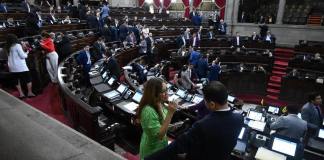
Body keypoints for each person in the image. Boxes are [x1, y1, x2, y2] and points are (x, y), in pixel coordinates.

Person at [145, 81, 244, 160]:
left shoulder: (203, 125)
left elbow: (178, 146)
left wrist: (150, 158)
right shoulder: (239, 118)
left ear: (212, 104)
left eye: (205, 100)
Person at [136, 77, 178, 160]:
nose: (167, 93)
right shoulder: (148, 111)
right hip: (151, 150)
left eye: (167, 89)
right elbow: (159, 135)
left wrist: (170, 127)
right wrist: (170, 113)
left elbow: (162, 124)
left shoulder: (160, 103)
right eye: (163, 91)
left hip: (161, 146)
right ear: (154, 93)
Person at [6, 34, 36, 98]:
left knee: (17, 81)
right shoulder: (17, 45)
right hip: (20, 66)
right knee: (28, 79)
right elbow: (23, 56)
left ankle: (21, 94)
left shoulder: (7, 47)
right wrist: (27, 53)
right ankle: (29, 93)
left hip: (12, 67)